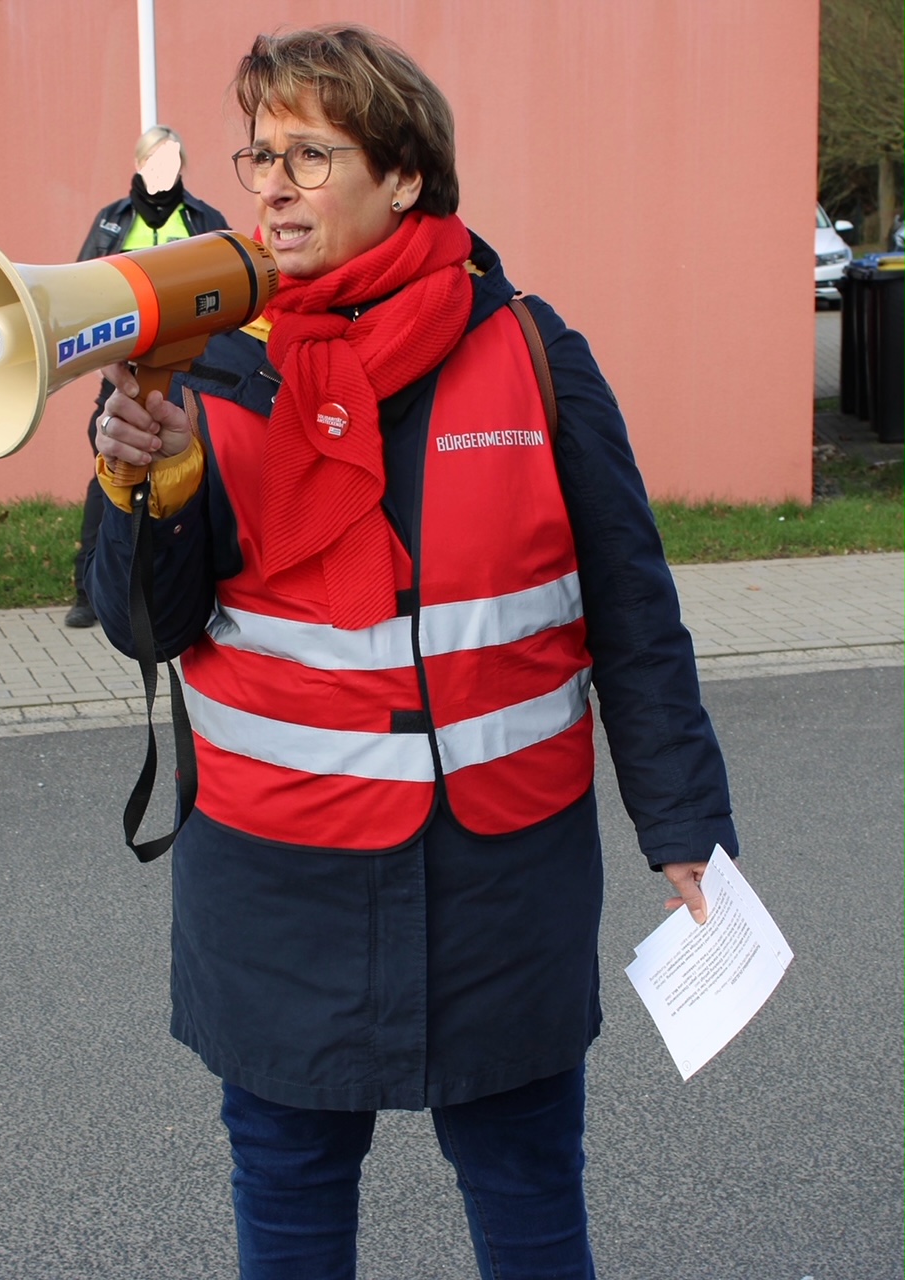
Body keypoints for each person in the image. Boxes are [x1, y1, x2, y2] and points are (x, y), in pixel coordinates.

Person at [90, 26, 738, 1279]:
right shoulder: (205, 367)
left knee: (527, 1188)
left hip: (497, 874)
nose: (267, 185)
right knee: (285, 1196)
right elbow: (142, 626)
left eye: (307, 155)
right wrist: (144, 478)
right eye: (256, 153)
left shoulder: (531, 350)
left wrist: (684, 830)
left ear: (404, 177)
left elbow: (632, 614)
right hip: (277, 874)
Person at [63, 124, 228, 628]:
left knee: (194, 467)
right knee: (111, 469)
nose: (164, 170)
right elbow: (82, 284)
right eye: (154, 161)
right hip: (127, 371)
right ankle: (89, 589)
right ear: (138, 167)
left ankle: (194, 579)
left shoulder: (205, 219)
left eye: (173, 161)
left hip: (193, 367)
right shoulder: (113, 221)